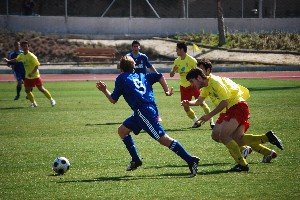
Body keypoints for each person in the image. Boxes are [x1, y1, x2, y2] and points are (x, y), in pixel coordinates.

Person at [96, 55, 200, 177]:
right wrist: (166, 91)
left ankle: (190, 160)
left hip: (143, 112)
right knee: (122, 131)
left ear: (121, 68)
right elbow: (160, 76)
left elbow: (113, 100)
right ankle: (136, 160)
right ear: (133, 66)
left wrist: (104, 90)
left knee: (163, 139)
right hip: (145, 110)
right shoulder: (141, 75)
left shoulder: (121, 78)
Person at [183, 67, 283, 172]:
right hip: (229, 110)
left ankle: (242, 164)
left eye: (191, 81)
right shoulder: (206, 87)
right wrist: (188, 103)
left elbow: (224, 102)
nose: (191, 84)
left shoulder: (215, 82)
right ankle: (267, 138)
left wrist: (209, 115)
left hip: (237, 107)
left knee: (224, 136)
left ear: (198, 77)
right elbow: (199, 101)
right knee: (223, 136)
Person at [170, 42, 214, 128]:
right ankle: (196, 121)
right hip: (183, 87)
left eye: (177, 49)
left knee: (201, 103)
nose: (176, 51)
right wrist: (172, 71)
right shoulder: (177, 61)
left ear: (182, 49)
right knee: (185, 106)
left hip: (194, 85)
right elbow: (172, 74)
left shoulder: (192, 60)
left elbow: (199, 72)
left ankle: (212, 122)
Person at [3, 41, 56, 108]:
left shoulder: (31, 56)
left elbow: (37, 66)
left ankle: (52, 100)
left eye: (26, 46)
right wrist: (8, 61)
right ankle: (34, 103)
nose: (25, 47)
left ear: (28, 47)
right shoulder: (21, 55)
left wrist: (32, 73)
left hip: (35, 76)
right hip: (28, 76)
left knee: (41, 89)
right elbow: (16, 59)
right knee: (27, 90)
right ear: (21, 47)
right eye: (23, 46)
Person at [127, 40, 162, 121]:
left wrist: (156, 74)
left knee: (150, 97)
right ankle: (138, 114)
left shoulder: (143, 57)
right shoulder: (128, 57)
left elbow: (149, 66)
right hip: (134, 83)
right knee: (135, 99)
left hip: (144, 82)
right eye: (134, 46)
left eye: (137, 46)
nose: (136, 48)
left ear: (139, 47)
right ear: (132, 47)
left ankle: (157, 115)